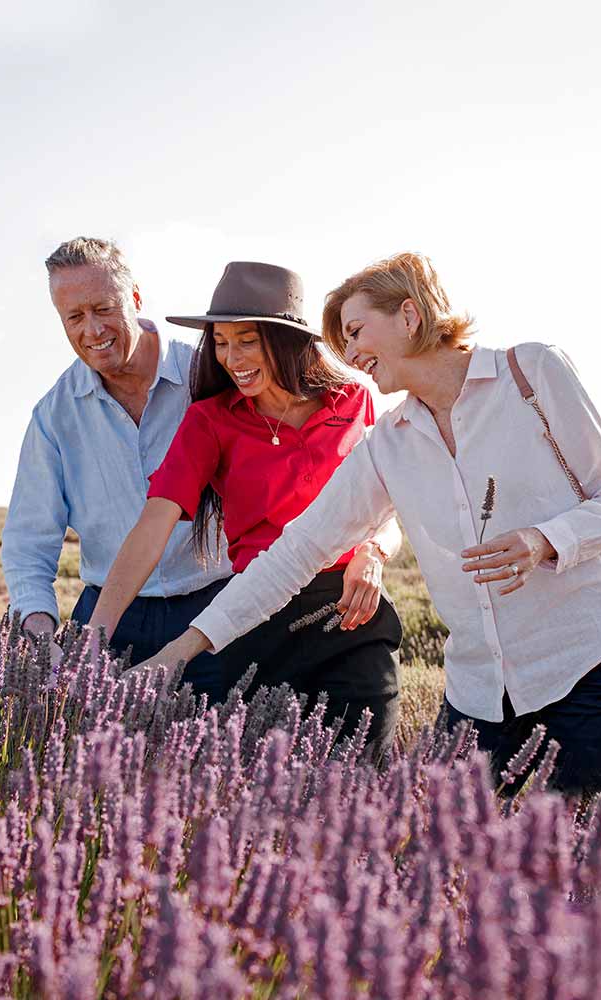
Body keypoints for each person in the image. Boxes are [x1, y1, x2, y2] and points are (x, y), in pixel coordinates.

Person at [132, 252, 601, 796]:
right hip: (480, 689)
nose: (352, 354)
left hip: (595, 663)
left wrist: (543, 540)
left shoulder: (532, 373)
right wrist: (182, 649)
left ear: (409, 315)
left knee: (565, 854)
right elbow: (295, 554)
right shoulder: (388, 444)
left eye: (357, 332)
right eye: (344, 341)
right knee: (429, 843)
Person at [87, 261, 404, 756]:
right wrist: (95, 635)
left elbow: (385, 511)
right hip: (256, 621)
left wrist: (373, 552)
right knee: (269, 805)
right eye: (220, 342)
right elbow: (153, 525)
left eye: (247, 341)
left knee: (367, 786)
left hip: (350, 616)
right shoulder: (208, 422)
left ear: (286, 340)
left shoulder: (354, 402)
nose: (231, 358)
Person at [1, 237, 231, 701]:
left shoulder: (207, 376)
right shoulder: (54, 414)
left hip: (217, 606)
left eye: (103, 308)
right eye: (74, 317)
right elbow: (28, 542)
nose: (92, 330)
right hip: (108, 619)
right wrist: (42, 634)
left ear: (136, 299)